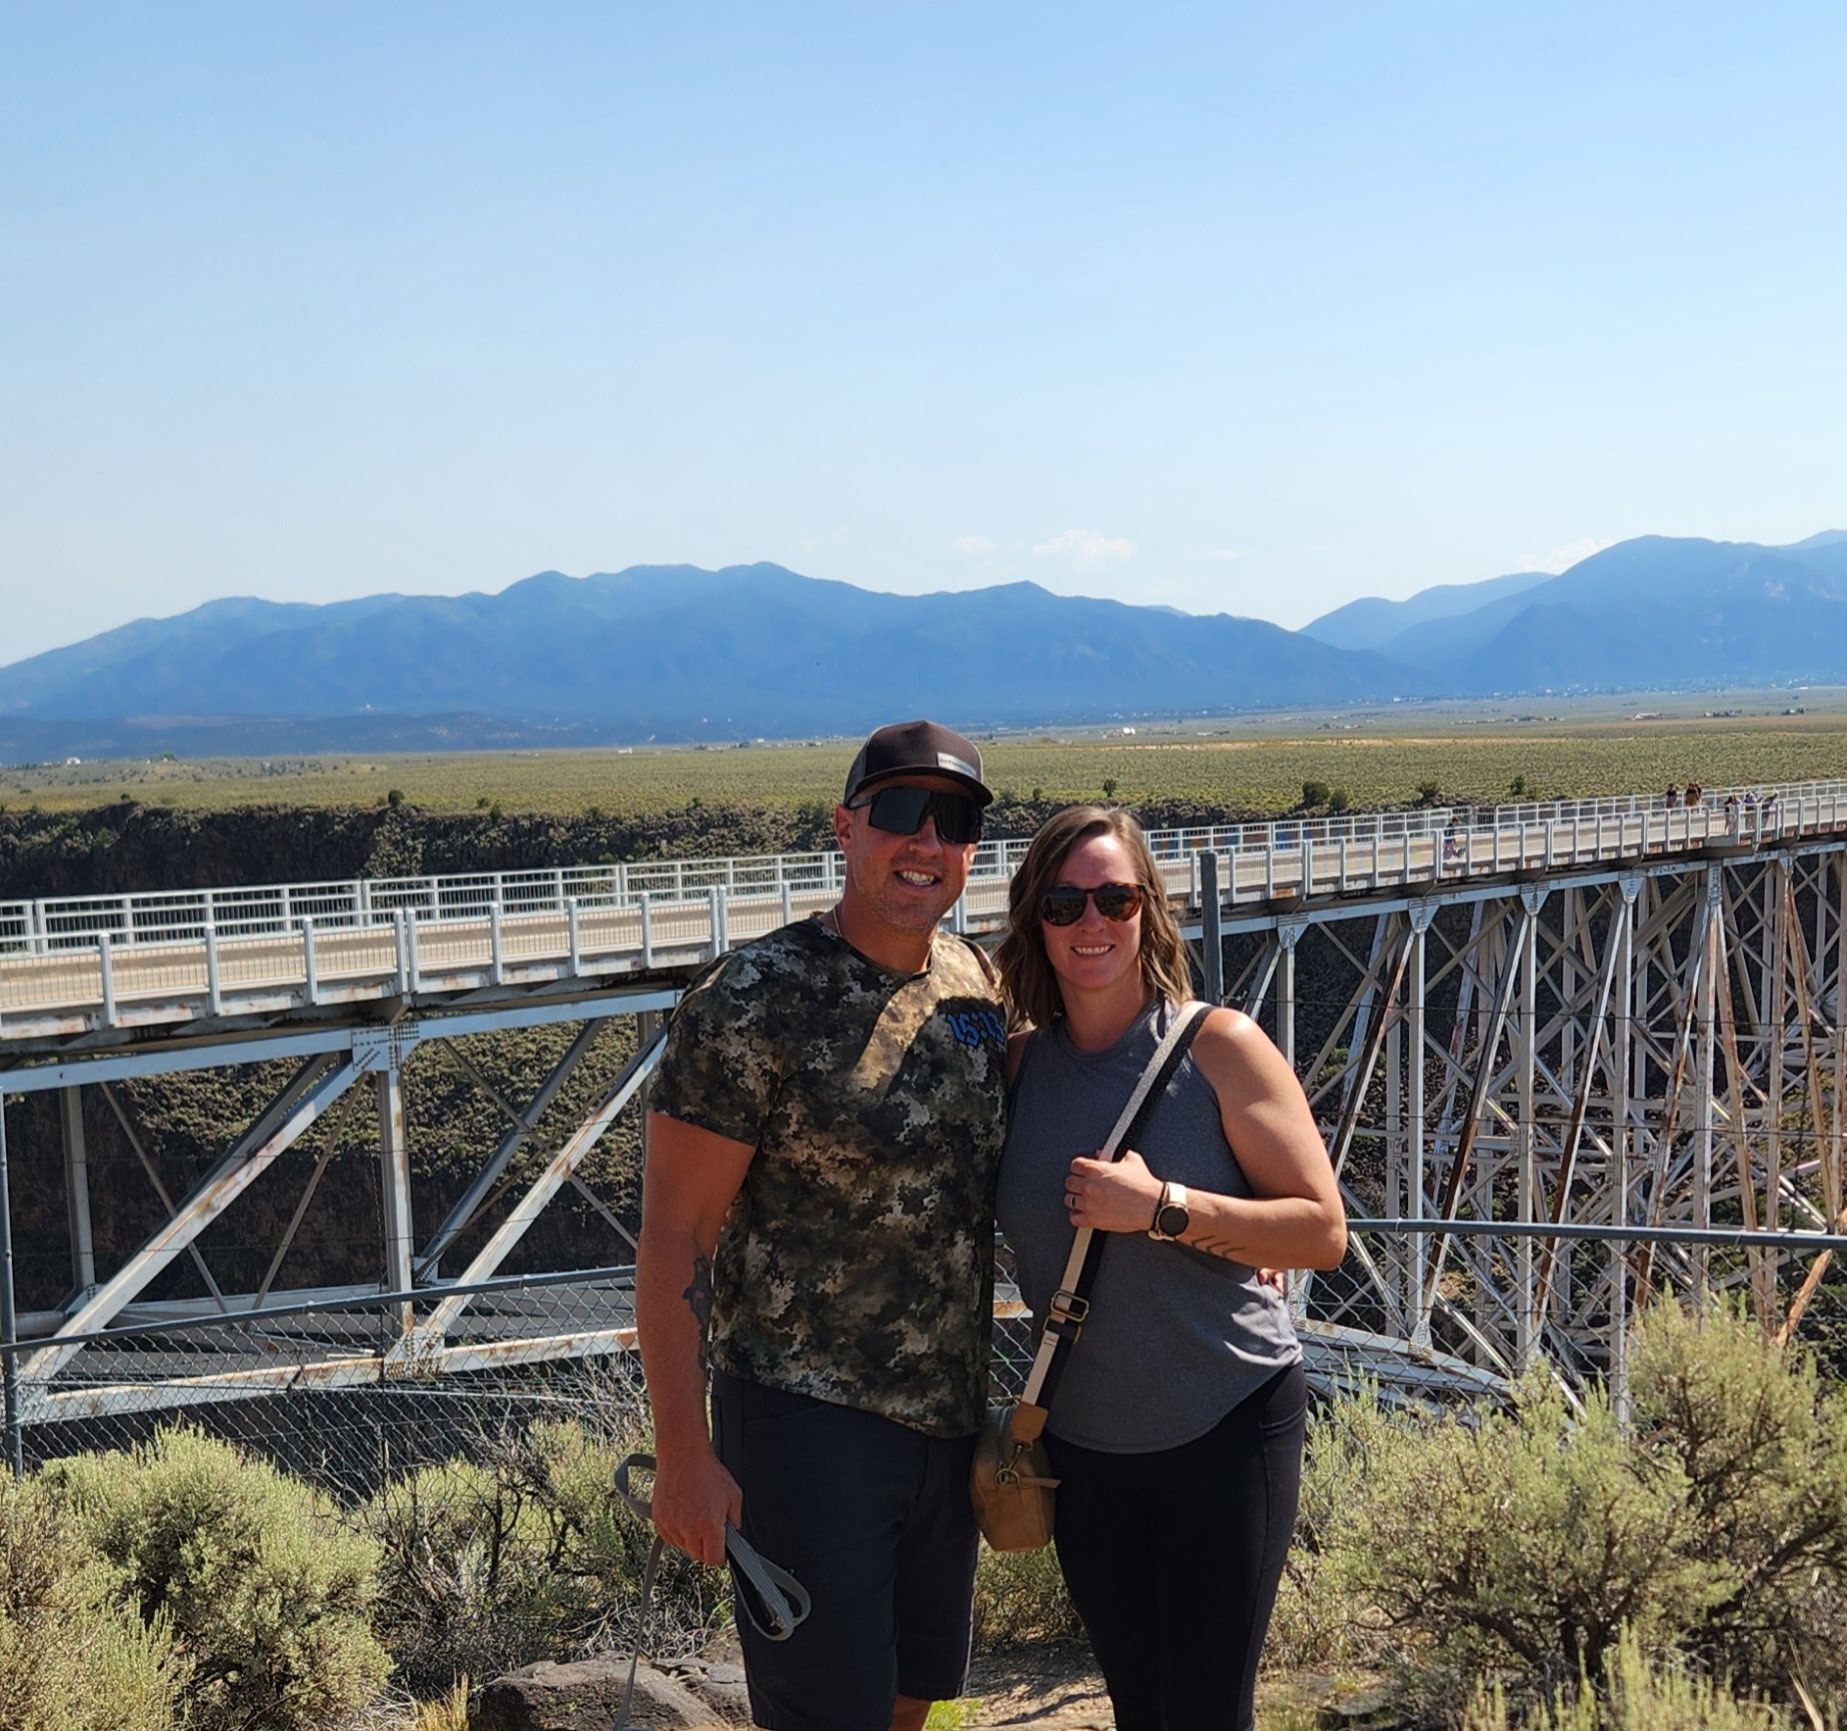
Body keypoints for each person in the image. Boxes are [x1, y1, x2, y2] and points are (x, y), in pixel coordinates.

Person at [636, 719, 1009, 1731]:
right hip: (807, 1425)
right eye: (898, 813)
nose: (924, 841)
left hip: (945, 1417)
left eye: (955, 821)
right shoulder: (750, 999)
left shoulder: (976, 986)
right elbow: (676, 1235)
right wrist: (681, 1452)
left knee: (908, 1699)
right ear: (844, 829)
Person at [994, 806, 1347, 1731]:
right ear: (1035, 919)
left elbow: (1319, 1232)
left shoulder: (1219, 1046)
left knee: (1203, 1711)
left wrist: (1164, 1209)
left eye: (1115, 897)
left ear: (1149, 908)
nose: (1091, 924)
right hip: (1084, 1445)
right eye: (1064, 904)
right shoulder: (1017, 1069)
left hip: (1226, 1424)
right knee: (1139, 1707)